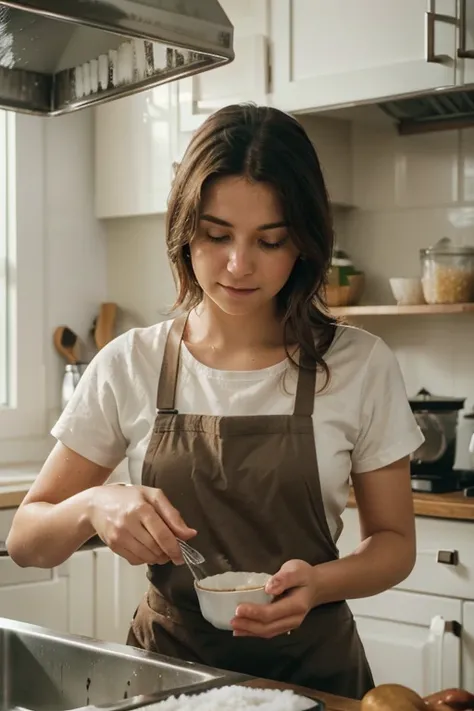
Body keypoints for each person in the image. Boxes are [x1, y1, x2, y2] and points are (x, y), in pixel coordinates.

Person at [7, 103, 424, 700]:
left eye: (270, 240)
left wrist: (321, 584)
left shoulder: (359, 364)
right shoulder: (132, 363)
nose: (238, 264)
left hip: (315, 677)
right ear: (184, 230)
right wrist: (94, 505)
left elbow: (395, 544)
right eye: (217, 234)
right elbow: (25, 539)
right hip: (170, 679)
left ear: (303, 243)